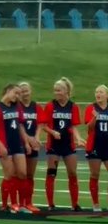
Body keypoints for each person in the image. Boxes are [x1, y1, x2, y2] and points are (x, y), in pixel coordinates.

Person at [0, 83, 31, 214]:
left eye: (19, 94)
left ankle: (23, 204)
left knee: (23, 173)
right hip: (5, 145)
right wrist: (0, 145)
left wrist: (27, 142)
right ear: (8, 91)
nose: (17, 96)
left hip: (17, 144)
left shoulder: (17, 107)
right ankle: (10, 204)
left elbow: (20, 126)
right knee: (10, 175)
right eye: (15, 93)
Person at [42, 77, 82, 211]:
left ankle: (75, 204)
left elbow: (74, 127)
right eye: (55, 90)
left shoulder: (73, 107)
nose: (56, 92)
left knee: (72, 173)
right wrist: (52, 132)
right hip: (54, 145)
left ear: (66, 91)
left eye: (59, 90)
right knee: (51, 173)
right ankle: (50, 204)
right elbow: (44, 126)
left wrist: (78, 138)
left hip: (68, 145)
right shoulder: (50, 106)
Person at [17, 82, 44, 212]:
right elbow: (19, 126)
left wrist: (37, 138)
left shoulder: (36, 107)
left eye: (26, 90)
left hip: (33, 143)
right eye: (22, 91)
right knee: (21, 174)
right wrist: (28, 140)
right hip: (20, 144)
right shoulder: (17, 107)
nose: (25, 93)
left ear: (31, 91)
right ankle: (19, 202)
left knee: (30, 175)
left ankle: (29, 202)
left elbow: (40, 124)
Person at [85, 84, 108, 213]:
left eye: (101, 92)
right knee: (95, 174)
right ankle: (96, 203)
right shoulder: (91, 108)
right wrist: (95, 117)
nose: (98, 94)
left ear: (107, 95)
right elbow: (89, 128)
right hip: (95, 145)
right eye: (96, 92)